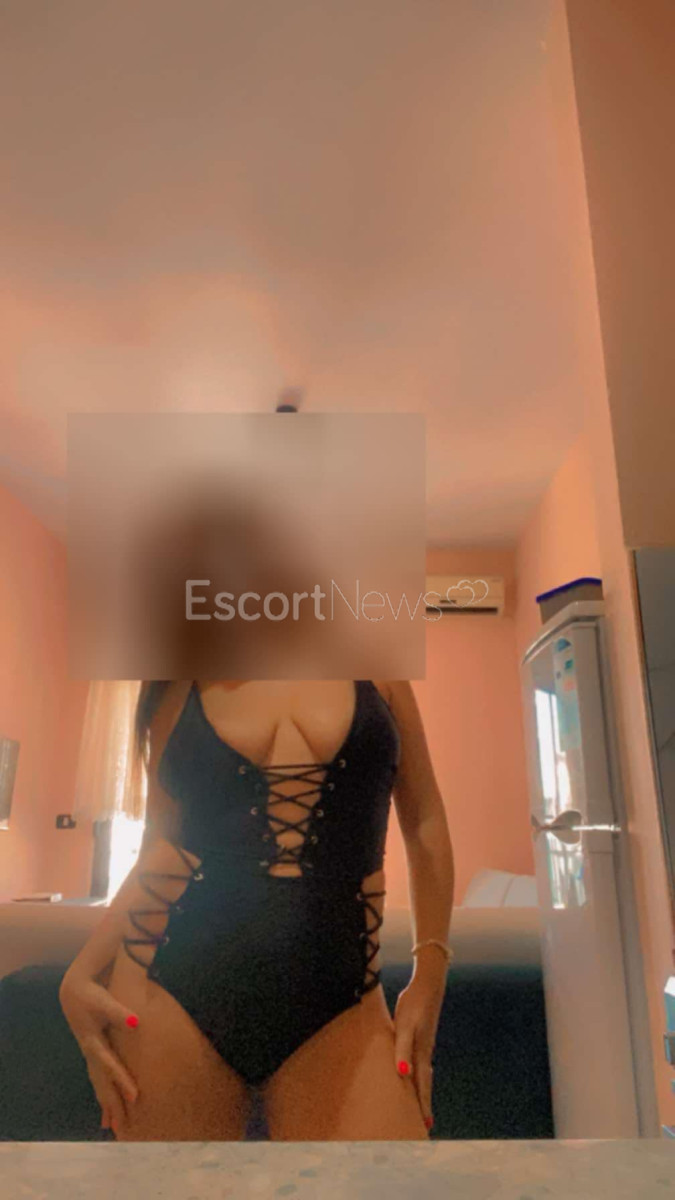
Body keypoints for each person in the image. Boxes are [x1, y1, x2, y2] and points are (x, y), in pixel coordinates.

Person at [60, 677, 454, 1140]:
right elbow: (162, 845)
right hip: (173, 997)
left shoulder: (380, 669)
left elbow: (424, 820)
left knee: (393, 1174)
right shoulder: (178, 680)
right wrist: (82, 971)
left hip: (344, 1004)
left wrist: (430, 975)